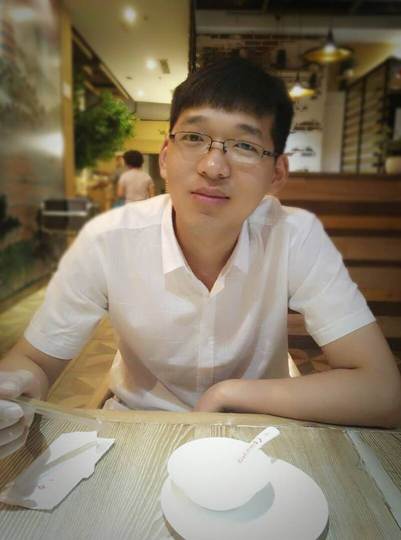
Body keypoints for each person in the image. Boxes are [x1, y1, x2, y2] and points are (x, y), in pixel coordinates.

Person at [1, 58, 400, 459]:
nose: (213, 167)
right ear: (164, 156)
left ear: (277, 173)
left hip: (256, 436)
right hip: (136, 432)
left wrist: (229, 394)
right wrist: (16, 390)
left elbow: (382, 391)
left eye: (245, 146)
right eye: (193, 137)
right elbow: (35, 361)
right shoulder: (106, 240)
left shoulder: (294, 236)